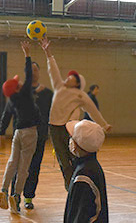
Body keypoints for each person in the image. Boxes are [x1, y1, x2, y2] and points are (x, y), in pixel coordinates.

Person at [39, 37, 111, 190]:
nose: (67, 77)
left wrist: (104, 125)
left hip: (68, 129)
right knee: (63, 161)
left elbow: (92, 110)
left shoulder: (80, 95)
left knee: (74, 158)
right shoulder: (59, 87)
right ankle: (70, 188)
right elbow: (53, 69)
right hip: (53, 128)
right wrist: (48, 52)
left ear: (77, 83)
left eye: (71, 77)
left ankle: (79, 183)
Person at [0, 45, 53, 211]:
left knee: (13, 163)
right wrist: (27, 54)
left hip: (23, 134)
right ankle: (16, 196)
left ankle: (5, 190)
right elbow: (28, 76)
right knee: (23, 169)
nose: (32, 72)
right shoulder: (26, 93)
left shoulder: (17, 97)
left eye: (36, 69)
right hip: (30, 134)